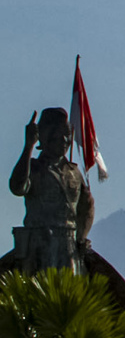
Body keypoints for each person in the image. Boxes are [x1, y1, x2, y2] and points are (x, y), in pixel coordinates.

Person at [10, 106, 94, 254]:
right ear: (45, 137)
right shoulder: (34, 168)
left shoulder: (74, 172)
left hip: (68, 247)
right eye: (57, 135)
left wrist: (81, 238)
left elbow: (87, 205)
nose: (63, 140)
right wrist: (28, 147)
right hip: (38, 246)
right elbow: (17, 187)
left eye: (66, 134)